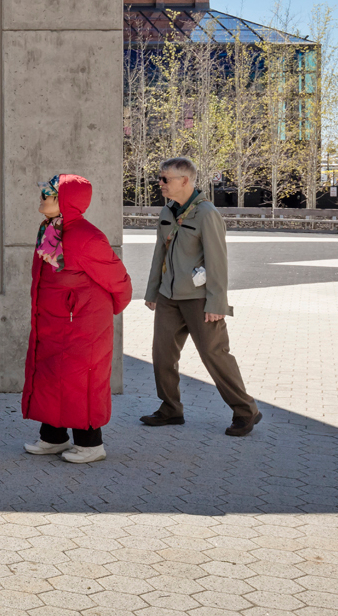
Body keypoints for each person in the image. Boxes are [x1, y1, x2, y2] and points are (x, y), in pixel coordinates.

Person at [142, 157, 262, 436]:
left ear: (185, 181)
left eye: (165, 179)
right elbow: (158, 254)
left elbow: (217, 261)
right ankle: (170, 408)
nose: (160, 183)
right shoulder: (168, 211)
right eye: (160, 178)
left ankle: (246, 410)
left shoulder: (207, 214)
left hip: (198, 298)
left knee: (214, 354)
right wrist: (152, 292)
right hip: (169, 297)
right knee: (162, 355)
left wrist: (217, 303)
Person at [22, 173, 132, 464]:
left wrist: (104, 312)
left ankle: (91, 445)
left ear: (66, 201)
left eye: (49, 193)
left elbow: (119, 282)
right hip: (54, 320)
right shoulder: (51, 229)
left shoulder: (86, 236)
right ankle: (53, 437)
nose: (43, 197)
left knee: (81, 382)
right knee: (51, 377)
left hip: (82, 324)